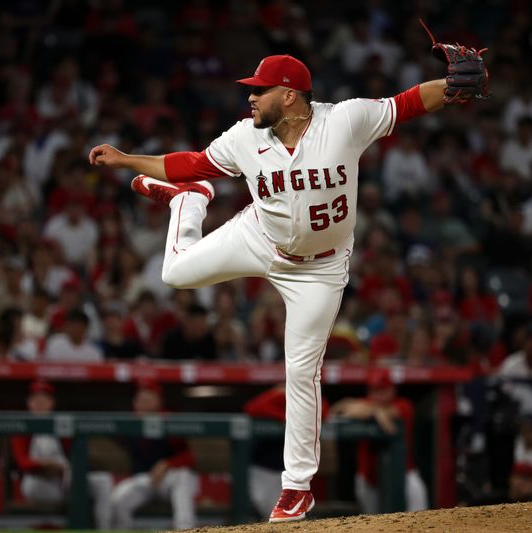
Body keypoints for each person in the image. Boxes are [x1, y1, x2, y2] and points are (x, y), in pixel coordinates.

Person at [89, 51, 487, 522]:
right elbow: (192, 162)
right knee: (174, 273)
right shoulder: (244, 137)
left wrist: (450, 86)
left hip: (319, 270)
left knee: (301, 372)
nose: (251, 97)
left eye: (259, 90)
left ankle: (296, 489)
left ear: (290, 96)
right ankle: (189, 204)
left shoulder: (344, 121)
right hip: (260, 237)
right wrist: (125, 161)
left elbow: (408, 103)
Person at [10, 381, 113, 529]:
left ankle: (104, 529)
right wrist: (44, 465)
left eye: (44, 399)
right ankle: (74, 524)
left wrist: (66, 468)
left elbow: (76, 455)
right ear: (29, 403)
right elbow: (22, 462)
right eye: (36, 399)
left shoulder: (61, 425)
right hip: (37, 480)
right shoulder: (22, 426)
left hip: (64, 477)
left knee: (103, 480)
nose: (40, 403)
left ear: (52, 403)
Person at [330, 368, 428, 513]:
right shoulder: (368, 403)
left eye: (382, 390)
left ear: (392, 390)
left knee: (420, 509)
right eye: (374, 390)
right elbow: (339, 408)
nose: (378, 395)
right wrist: (376, 411)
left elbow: (392, 414)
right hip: (369, 477)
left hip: (404, 473)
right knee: (372, 521)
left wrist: (373, 411)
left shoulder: (404, 405)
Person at [110, 380, 198, 530]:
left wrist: (167, 464)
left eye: (149, 399)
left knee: (183, 477)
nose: (144, 404)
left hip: (169, 480)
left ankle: (184, 529)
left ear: (159, 402)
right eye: (140, 399)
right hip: (144, 480)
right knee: (117, 500)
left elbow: (189, 458)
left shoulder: (169, 420)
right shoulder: (129, 424)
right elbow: (109, 431)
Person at [243, 384, 331, 519]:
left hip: (293, 472)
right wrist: (284, 416)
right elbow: (252, 407)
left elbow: (323, 412)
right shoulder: (281, 396)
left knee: (291, 517)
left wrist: (294, 420)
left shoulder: (313, 400)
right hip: (266, 469)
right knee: (275, 514)